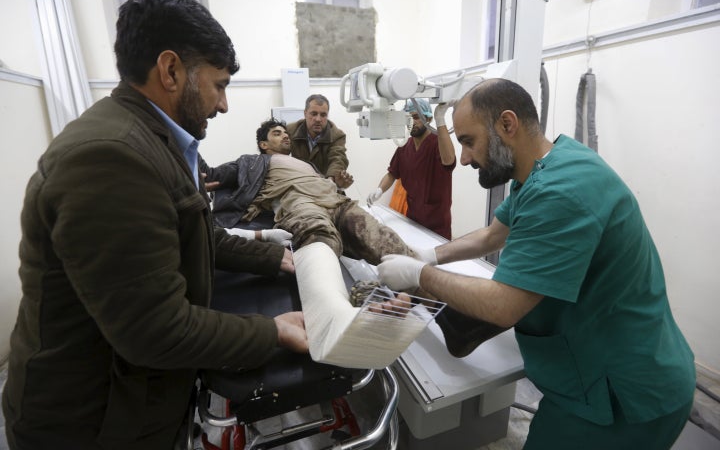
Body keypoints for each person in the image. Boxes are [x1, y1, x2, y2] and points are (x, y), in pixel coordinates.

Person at [2, 0, 307, 450]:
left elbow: (199, 234)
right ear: (170, 71)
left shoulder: (154, 141)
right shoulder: (112, 158)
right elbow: (155, 329)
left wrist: (276, 259)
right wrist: (273, 331)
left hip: (128, 404)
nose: (223, 105)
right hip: (90, 425)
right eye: (219, 85)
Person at [376, 79, 696, 449]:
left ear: (507, 125)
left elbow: (504, 305)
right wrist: (428, 255)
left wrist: (420, 275)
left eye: (468, 141)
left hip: (623, 393)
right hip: (596, 374)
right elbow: (491, 236)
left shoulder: (560, 192)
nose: (463, 158)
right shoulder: (542, 170)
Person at [202, 118, 413, 264]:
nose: (285, 136)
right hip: (299, 203)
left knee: (386, 242)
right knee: (322, 244)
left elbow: (329, 175)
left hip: (335, 201)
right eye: (277, 134)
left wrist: (338, 183)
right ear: (264, 144)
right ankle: (331, 314)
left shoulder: (305, 164)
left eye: (286, 133)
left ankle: (435, 299)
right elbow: (211, 174)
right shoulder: (251, 162)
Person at [367, 98, 456, 239]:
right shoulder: (404, 146)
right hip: (412, 220)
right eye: (407, 118)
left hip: (437, 225)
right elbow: (392, 174)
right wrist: (379, 190)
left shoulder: (437, 143)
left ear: (429, 118)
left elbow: (449, 160)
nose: (412, 122)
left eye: (416, 117)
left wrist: (441, 120)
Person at [287, 94, 354, 189]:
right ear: (305, 113)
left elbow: (338, 158)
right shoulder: (290, 131)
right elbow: (279, 154)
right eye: (314, 114)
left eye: (323, 115)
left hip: (324, 185)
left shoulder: (337, 135)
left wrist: (331, 179)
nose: (318, 119)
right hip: (298, 185)